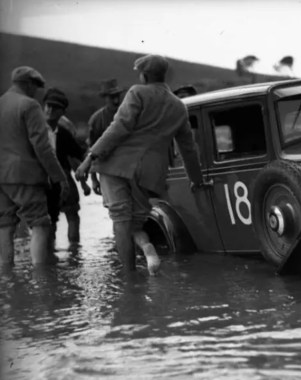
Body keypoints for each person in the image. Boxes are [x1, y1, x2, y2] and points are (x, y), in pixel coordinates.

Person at [76, 54, 204, 276]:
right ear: (164, 75)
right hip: (149, 173)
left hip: (116, 165)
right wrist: (196, 179)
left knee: (120, 221)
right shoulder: (178, 106)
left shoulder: (137, 93)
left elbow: (119, 127)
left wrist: (90, 157)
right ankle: (147, 249)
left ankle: (129, 279)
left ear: (144, 75)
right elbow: (188, 149)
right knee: (135, 223)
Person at [0, 66, 68, 267]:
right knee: (40, 223)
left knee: (4, 225)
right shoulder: (29, 105)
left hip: (1, 176)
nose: (36, 92)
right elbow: (42, 146)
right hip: (25, 176)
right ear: (29, 84)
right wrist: (59, 177)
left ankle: (6, 275)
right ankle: (41, 278)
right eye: (36, 87)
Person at [43, 87, 91, 245]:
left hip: (62, 176)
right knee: (47, 220)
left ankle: (73, 250)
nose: (50, 110)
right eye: (48, 106)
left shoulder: (63, 133)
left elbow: (78, 155)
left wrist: (86, 177)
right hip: (42, 179)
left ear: (62, 112)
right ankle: (52, 253)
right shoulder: (36, 130)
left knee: (71, 214)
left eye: (55, 107)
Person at [87, 78, 125, 195]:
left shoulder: (129, 114)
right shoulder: (97, 120)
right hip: (107, 171)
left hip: (130, 169)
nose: (116, 100)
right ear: (105, 98)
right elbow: (92, 151)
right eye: (112, 97)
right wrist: (94, 179)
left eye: (117, 96)